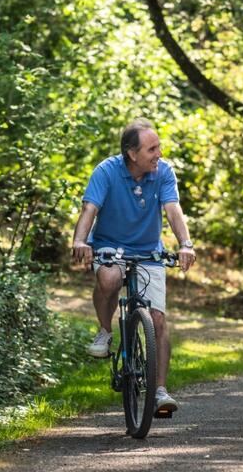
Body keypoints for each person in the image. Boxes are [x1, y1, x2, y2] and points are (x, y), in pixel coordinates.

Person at [71, 118, 196, 413]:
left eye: (159, 147)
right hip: (108, 246)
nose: (159, 153)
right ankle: (105, 330)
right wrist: (80, 241)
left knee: (158, 320)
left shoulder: (163, 173)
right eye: (152, 148)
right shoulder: (106, 171)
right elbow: (90, 208)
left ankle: (160, 392)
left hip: (148, 250)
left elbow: (173, 209)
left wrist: (185, 244)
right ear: (132, 153)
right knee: (110, 278)